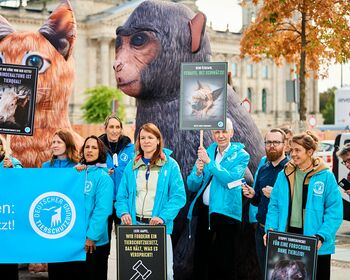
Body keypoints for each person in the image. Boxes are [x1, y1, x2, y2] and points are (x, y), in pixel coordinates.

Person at [264, 131, 343, 280]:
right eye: (291, 149)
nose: (292, 154)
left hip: (316, 242)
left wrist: (321, 236)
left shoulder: (326, 176)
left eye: (297, 150)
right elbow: (274, 206)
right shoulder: (284, 174)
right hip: (287, 240)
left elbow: (334, 212)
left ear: (310, 151)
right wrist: (270, 228)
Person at [116, 123, 186, 280]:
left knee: (164, 273)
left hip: (158, 228)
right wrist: (124, 212)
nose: (146, 141)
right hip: (134, 227)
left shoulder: (170, 165)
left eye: (150, 137)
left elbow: (178, 196)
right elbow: (122, 196)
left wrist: (162, 216)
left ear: (158, 140)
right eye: (142, 138)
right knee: (135, 273)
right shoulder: (132, 166)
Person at [187, 118, 250, 280]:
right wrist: (198, 173)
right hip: (205, 212)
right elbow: (192, 186)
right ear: (212, 134)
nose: (221, 135)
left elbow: (230, 180)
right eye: (217, 132)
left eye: (224, 131)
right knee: (200, 257)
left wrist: (210, 163)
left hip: (226, 213)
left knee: (225, 261)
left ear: (231, 133)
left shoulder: (241, 155)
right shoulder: (207, 151)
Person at [242, 128, 288, 277]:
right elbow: (257, 201)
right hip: (261, 230)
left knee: (281, 275)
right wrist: (252, 194)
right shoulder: (263, 168)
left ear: (285, 145)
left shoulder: (291, 169)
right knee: (265, 273)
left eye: (276, 142)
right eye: (268, 142)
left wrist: (276, 194)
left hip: (281, 232)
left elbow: (297, 201)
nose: (272, 145)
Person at [42, 130, 81, 279]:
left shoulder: (78, 167)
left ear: (68, 144)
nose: (55, 145)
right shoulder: (46, 166)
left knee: (71, 265)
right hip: (52, 222)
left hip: (72, 219)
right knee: (55, 261)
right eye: (53, 142)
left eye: (59, 142)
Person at [79, 136, 113, 280]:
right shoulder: (77, 174)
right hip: (77, 239)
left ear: (100, 152)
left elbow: (102, 210)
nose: (90, 150)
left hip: (94, 242)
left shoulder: (103, 178)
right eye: (87, 147)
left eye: (94, 147)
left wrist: (91, 237)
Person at [98, 114, 134, 244]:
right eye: (111, 127)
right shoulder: (97, 148)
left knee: (124, 241)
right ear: (105, 128)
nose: (114, 130)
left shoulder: (131, 149)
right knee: (103, 241)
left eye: (117, 127)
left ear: (121, 129)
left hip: (124, 201)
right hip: (104, 200)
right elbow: (88, 167)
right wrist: (102, 173)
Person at [0, 136, 21, 280]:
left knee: (7, 263)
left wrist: (12, 170)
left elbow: (22, 183)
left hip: (7, 219)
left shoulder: (12, 162)